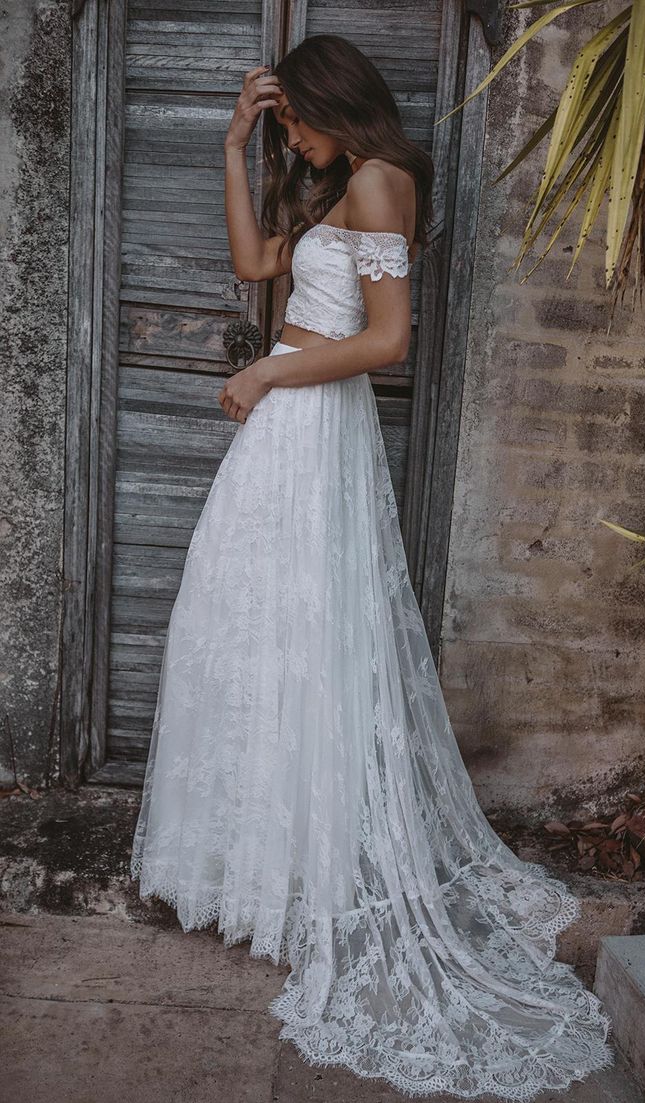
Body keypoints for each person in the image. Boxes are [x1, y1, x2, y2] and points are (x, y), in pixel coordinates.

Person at [130, 33, 616, 1101]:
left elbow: (388, 338)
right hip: (287, 424)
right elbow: (257, 268)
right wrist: (232, 145)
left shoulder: (384, 177)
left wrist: (269, 366)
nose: (290, 141)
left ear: (334, 106)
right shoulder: (341, 183)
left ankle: (306, 873)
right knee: (244, 621)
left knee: (307, 634)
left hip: (311, 422)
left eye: (294, 121)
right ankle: (249, 864)